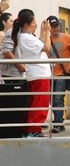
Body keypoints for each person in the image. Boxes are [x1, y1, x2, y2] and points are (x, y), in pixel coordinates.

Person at [12, 10, 51, 138]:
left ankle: (30, 128)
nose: (35, 25)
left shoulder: (27, 37)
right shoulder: (25, 37)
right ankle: (34, 129)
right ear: (26, 24)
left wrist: (43, 32)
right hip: (39, 73)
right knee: (40, 102)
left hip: (37, 73)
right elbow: (46, 48)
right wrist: (47, 32)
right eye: (34, 23)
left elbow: (40, 43)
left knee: (36, 101)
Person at [47, 15, 70, 133]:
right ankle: (59, 120)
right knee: (51, 100)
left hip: (61, 74)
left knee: (58, 98)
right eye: (53, 26)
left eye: (57, 25)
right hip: (49, 74)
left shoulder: (66, 38)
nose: (56, 28)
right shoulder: (46, 39)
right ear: (49, 28)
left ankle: (58, 123)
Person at [0, 12, 13, 84]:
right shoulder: (1, 34)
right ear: (4, 22)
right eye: (11, 21)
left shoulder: (9, 34)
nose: (12, 23)